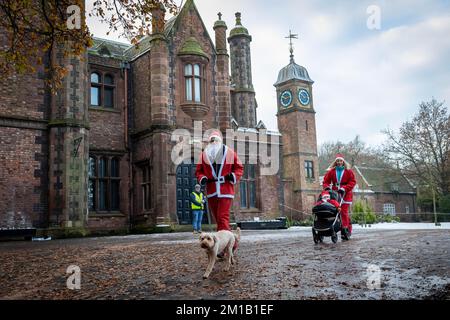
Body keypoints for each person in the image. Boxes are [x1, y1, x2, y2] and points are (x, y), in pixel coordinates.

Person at [195, 130, 244, 251]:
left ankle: (223, 248)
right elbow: (198, 171)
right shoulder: (204, 154)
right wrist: (203, 178)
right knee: (219, 219)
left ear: (220, 140)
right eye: (211, 140)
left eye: (215, 140)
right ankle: (231, 243)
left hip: (225, 190)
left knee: (222, 218)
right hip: (212, 191)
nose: (213, 142)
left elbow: (239, 168)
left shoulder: (229, 153)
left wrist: (232, 176)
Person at [322, 153, 356, 240]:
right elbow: (326, 181)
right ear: (335, 162)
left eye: (340, 161)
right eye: (337, 161)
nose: (339, 162)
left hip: (345, 193)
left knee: (343, 212)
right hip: (335, 193)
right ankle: (335, 227)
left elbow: (352, 182)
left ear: (343, 162)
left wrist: (345, 188)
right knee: (335, 211)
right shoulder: (331, 171)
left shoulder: (349, 171)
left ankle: (346, 228)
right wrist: (326, 187)